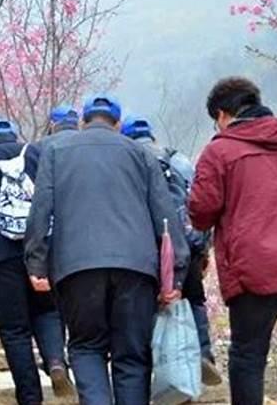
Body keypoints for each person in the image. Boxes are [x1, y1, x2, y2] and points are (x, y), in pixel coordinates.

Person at [24, 93, 190, 405]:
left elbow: (41, 209)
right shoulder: (140, 154)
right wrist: (176, 275)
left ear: (84, 121)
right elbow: (165, 216)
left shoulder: (56, 151)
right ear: (117, 125)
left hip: (76, 267)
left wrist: (36, 263)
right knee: (132, 356)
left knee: (87, 348)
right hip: (136, 268)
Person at [189, 77, 277, 405]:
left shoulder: (219, 151)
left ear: (223, 115)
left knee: (248, 357)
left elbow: (201, 211)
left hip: (257, 268)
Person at [0, 118, 74, 404]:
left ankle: (30, 396)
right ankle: (56, 361)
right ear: (14, 135)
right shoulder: (35, 154)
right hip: (40, 251)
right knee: (47, 312)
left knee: (14, 329)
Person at [120, 114, 222, 386]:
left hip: (145, 248)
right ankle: (202, 353)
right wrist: (202, 248)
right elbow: (199, 203)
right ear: (151, 135)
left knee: (149, 307)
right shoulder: (179, 160)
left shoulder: (127, 160)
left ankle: (160, 364)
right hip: (185, 245)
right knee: (193, 300)